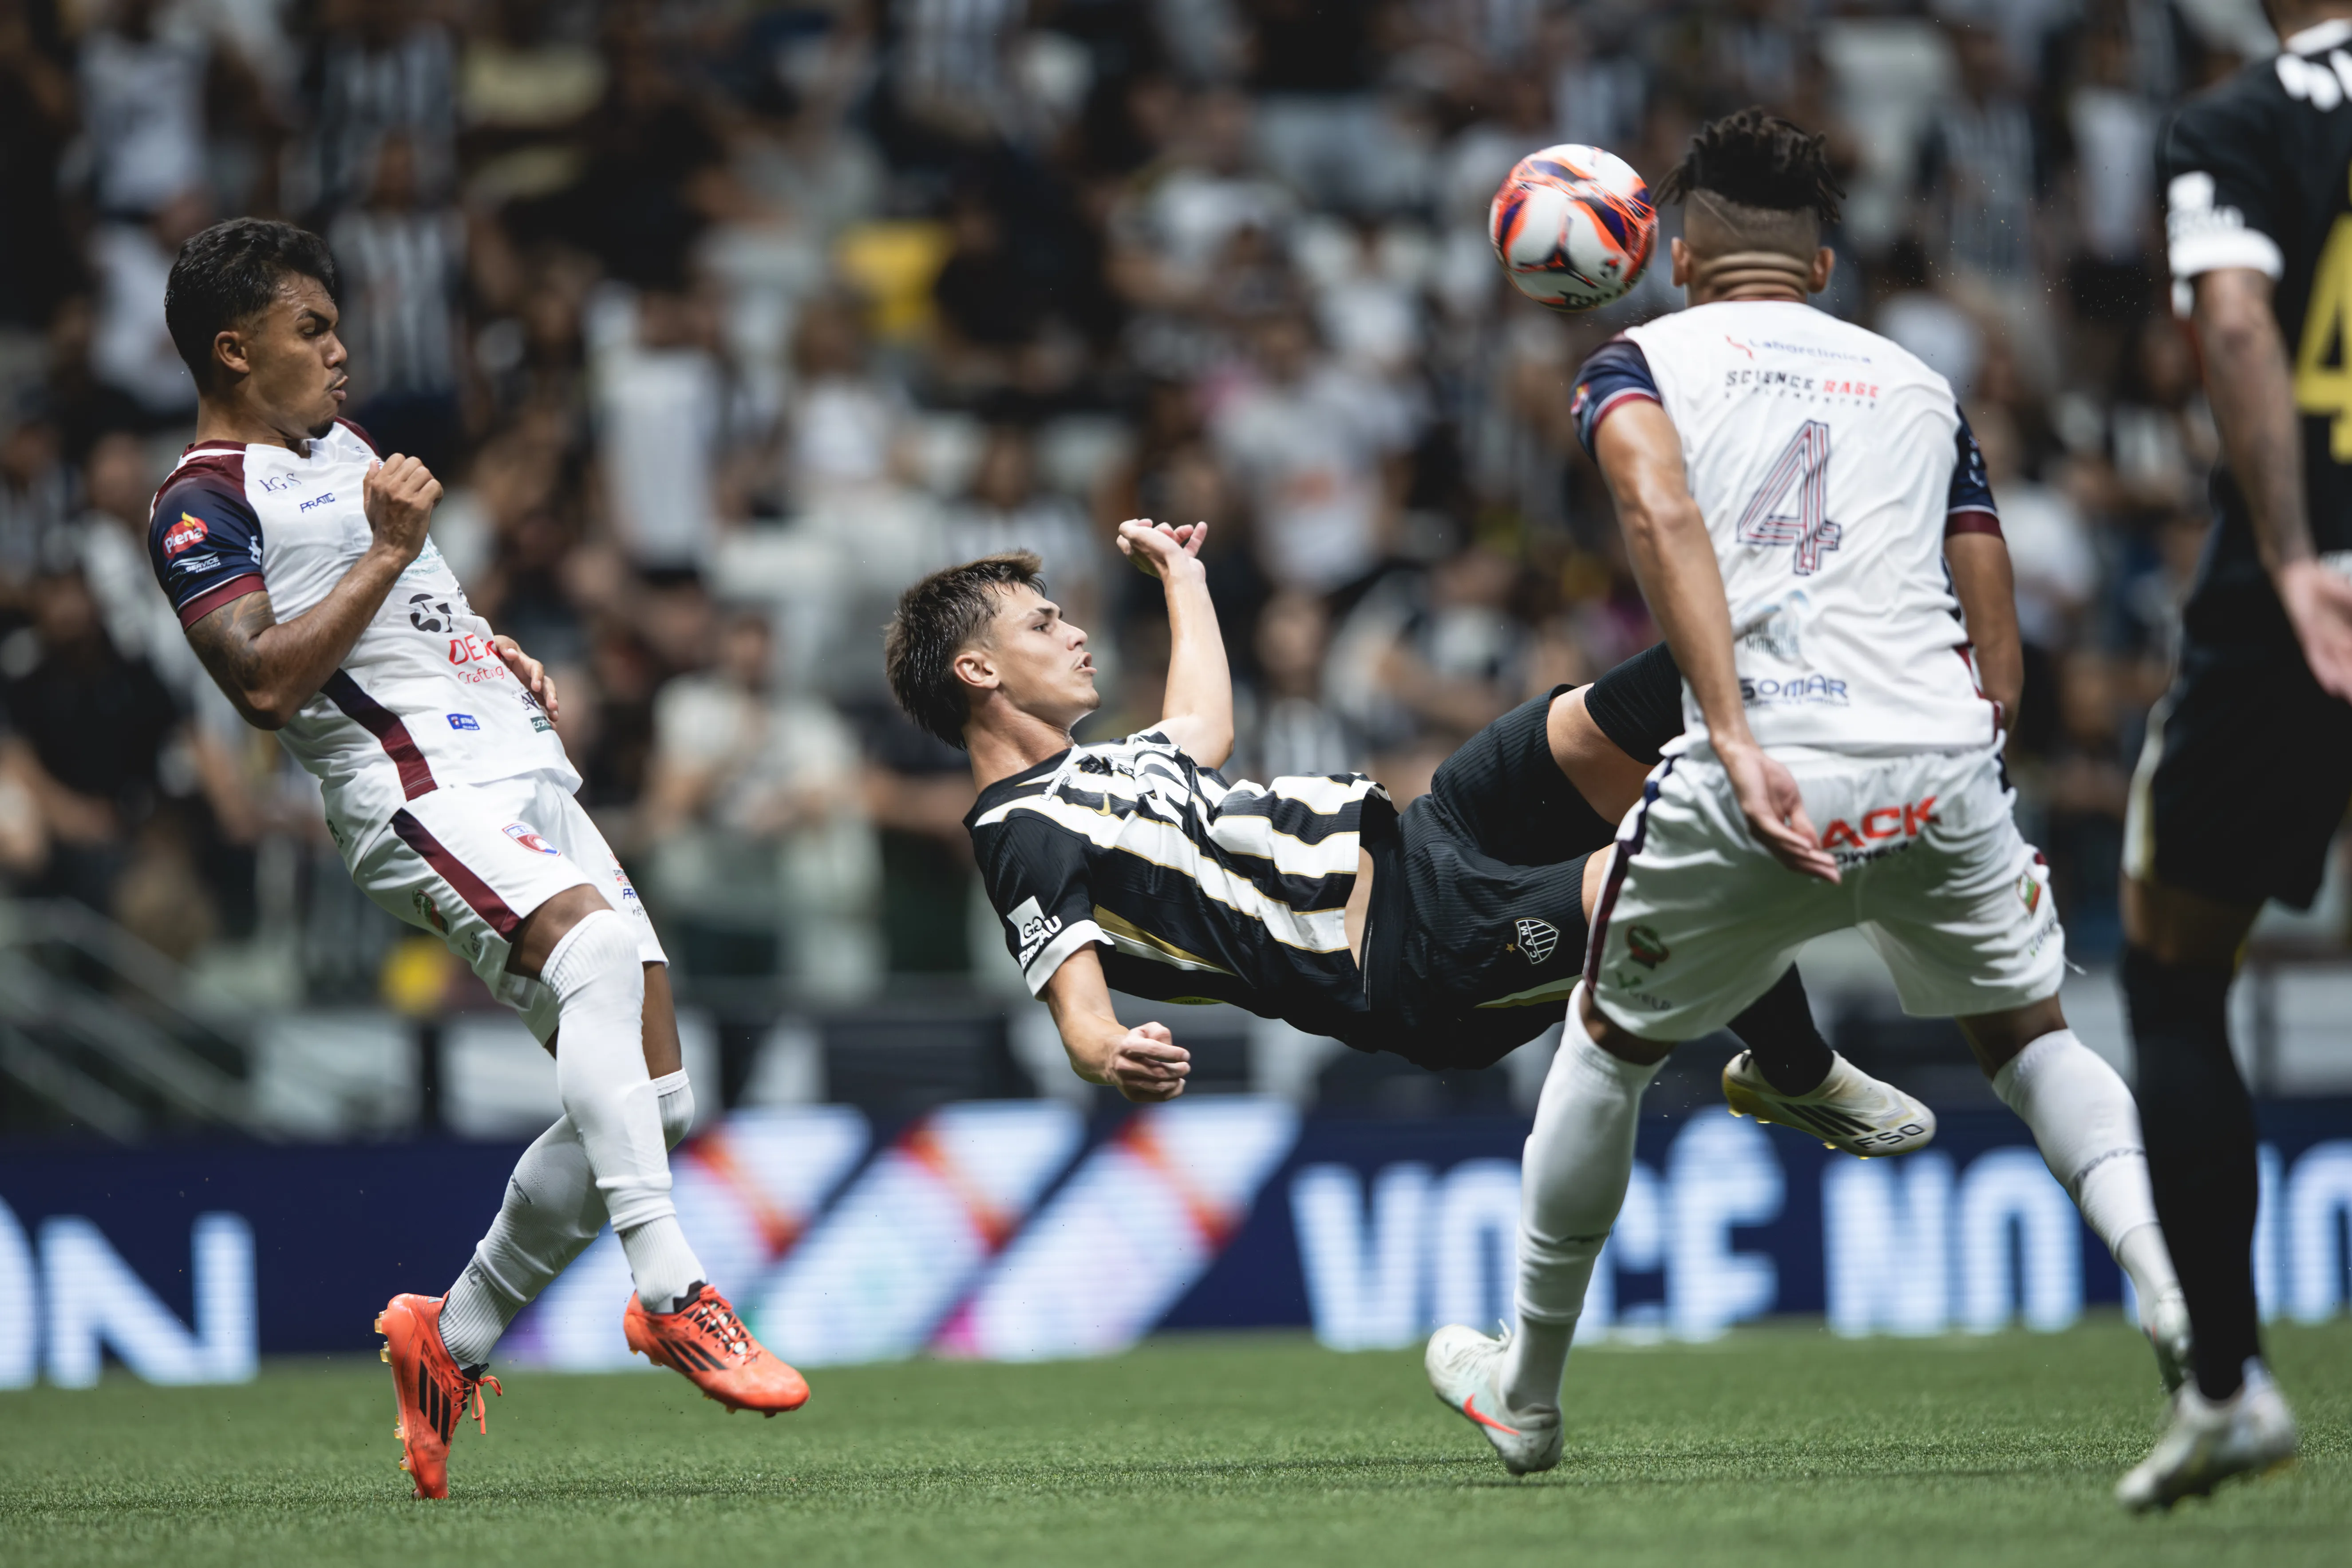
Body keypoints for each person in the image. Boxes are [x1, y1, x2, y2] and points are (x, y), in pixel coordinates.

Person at [1419, 110, 2189, 1477]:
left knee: (1606, 1045)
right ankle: (2174, 1291)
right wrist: (1972, 768)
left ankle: (1524, 1392)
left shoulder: (1638, 359)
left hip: (1761, 756)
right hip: (1936, 753)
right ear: (1822, 265)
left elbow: (1658, 520)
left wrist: (1726, 723)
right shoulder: (1914, 379)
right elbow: (1986, 587)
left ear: (1675, 247)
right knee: (2033, 1043)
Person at [144, 219, 806, 1502]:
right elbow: (266, 686)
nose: (344, 353)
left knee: (658, 1096)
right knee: (599, 957)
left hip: (522, 768)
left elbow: (412, 604)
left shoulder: (339, 452)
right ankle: (671, 1289)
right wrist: (389, 548)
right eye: (312, 331)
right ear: (234, 349)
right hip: (413, 789)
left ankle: (450, 1336)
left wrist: (486, 642)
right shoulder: (200, 500)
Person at [885, 532, 1936, 1154]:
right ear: (979, 673)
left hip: (1432, 831)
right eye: (1041, 623)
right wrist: (1115, 1053)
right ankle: (1799, 1068)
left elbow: (1202, 727)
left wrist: (1184, 579)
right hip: (1418, 958)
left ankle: (1884, 687)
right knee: (1668, 865)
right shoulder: (1020, 830)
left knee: (1616, 709)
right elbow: (1079, 1018)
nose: (1073, 631)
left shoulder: (1108, 763)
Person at [2117, 0, 2352, 1509]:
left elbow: (2233, 319)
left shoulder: (2234, 121)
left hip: (2303, 588)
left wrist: (2290, 552)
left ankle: (2225, 1383)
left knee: (2170, 959)